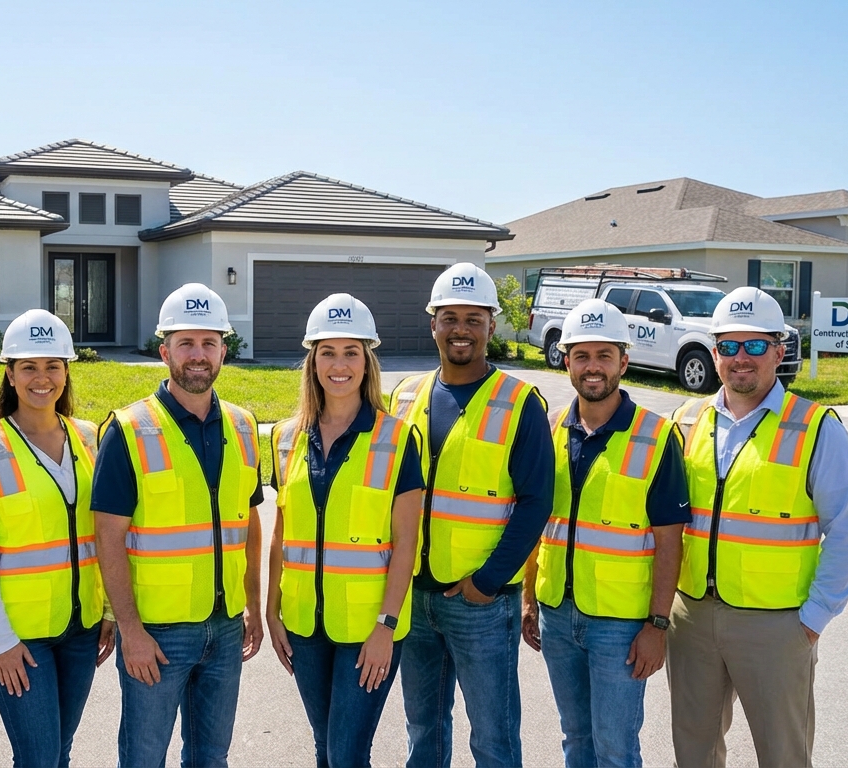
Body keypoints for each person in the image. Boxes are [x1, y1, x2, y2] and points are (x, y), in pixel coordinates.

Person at [667, 287, 848, 768]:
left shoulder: (816, 427)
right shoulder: (686, 420)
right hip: (692, 616)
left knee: (783, 756)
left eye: (755, 345)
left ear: (779, 351)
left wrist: (814, 618)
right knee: (693, 753)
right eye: (729, 346)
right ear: (713, 353)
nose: (741, 358)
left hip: (777, 626)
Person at [91, 282, 265, 768]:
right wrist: (130, 629)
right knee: (144, 757)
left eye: (209, 343)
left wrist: (250, 604)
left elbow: (249, 524)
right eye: (186, 343)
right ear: (163, 350)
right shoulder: (128, 429)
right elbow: (108, 537)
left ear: (224, 352)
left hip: (226, 627)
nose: (198, 355)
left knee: (212, 757)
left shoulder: (245, 426)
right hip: (157, 632)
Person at [389, 262, 555, 768]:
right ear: (433, 322)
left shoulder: (519, 401)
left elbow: (536, 503)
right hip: (414, 596)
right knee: (423, 730)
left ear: (491, 326)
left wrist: (488, 582)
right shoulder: (404, 396)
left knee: (494, 737)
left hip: (481, 602)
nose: (461, 328)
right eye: (450, 317)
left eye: (474, 318)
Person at [519, 299, 689, 768]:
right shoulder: (550, 429)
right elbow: (540, 525)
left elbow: (671, 540)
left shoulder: (655, 437)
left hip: (620, 623)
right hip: (556, 613)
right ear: (566, 360)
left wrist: (657, 625)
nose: (592, 368)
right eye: (581, 356)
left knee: (615, 748)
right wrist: (530, 598)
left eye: (604, 356)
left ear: (624, 361)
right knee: (576, 738)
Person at [265, 294, 424, 768]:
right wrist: (271, 611)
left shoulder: (397, 439)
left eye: (351, 352)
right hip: (304, 623)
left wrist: (386, 627)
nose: (339, 365)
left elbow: (406, 545)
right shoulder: (286, 436)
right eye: (327, 353)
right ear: (312, 361)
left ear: (367, 361)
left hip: (368, 629)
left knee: (346, 752)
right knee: (325, 748)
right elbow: (282, 532)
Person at [0, 309, 116, 767]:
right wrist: (2, 641)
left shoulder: (89, 438)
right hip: (18, 637)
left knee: (58, 753)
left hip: (81, 628)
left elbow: (101, 534)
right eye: (28, 366)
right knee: (40, 757)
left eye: (52, 366)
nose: (41, 378)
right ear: (9, 374)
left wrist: (106, 610)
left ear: (67, 371)